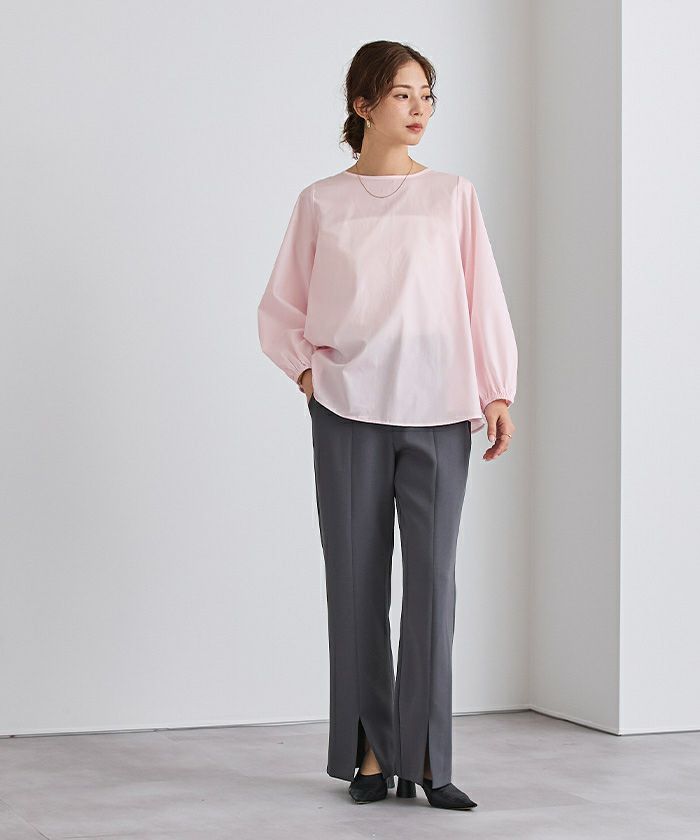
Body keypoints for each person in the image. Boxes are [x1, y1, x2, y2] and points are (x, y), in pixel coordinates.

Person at [257, 40, 517, 811]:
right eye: (404, 94)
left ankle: (428, 761)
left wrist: (497, 390)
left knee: (433, 585)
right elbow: (281, 307)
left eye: (428, 94)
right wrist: (310, 376)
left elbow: (483, 298)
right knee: (356, 582)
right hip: (346, 412)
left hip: (440, 409)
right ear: (363, 104)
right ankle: (371, 753)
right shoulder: (321, 202)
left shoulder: (452, 196)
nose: (420, 109)